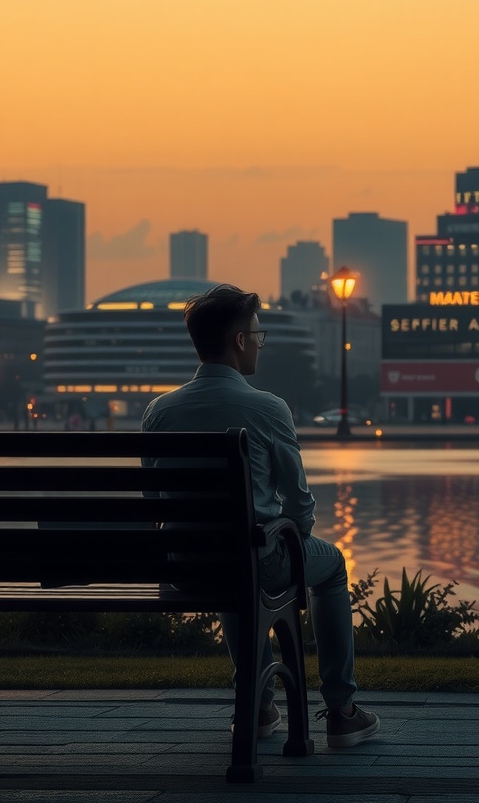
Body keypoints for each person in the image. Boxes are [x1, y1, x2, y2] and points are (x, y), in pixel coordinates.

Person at [142, 283, 379, 748]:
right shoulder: (268, 408)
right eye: (257, 335)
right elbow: (300, 502)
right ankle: (342, 711)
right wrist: (294, 537)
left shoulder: (159, 411)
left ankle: (259, 705)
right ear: (239, 341)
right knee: (327, 565)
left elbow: (154, 498)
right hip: (255, 558)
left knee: (236, 557)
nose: (260, 344)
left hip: (186, 566)